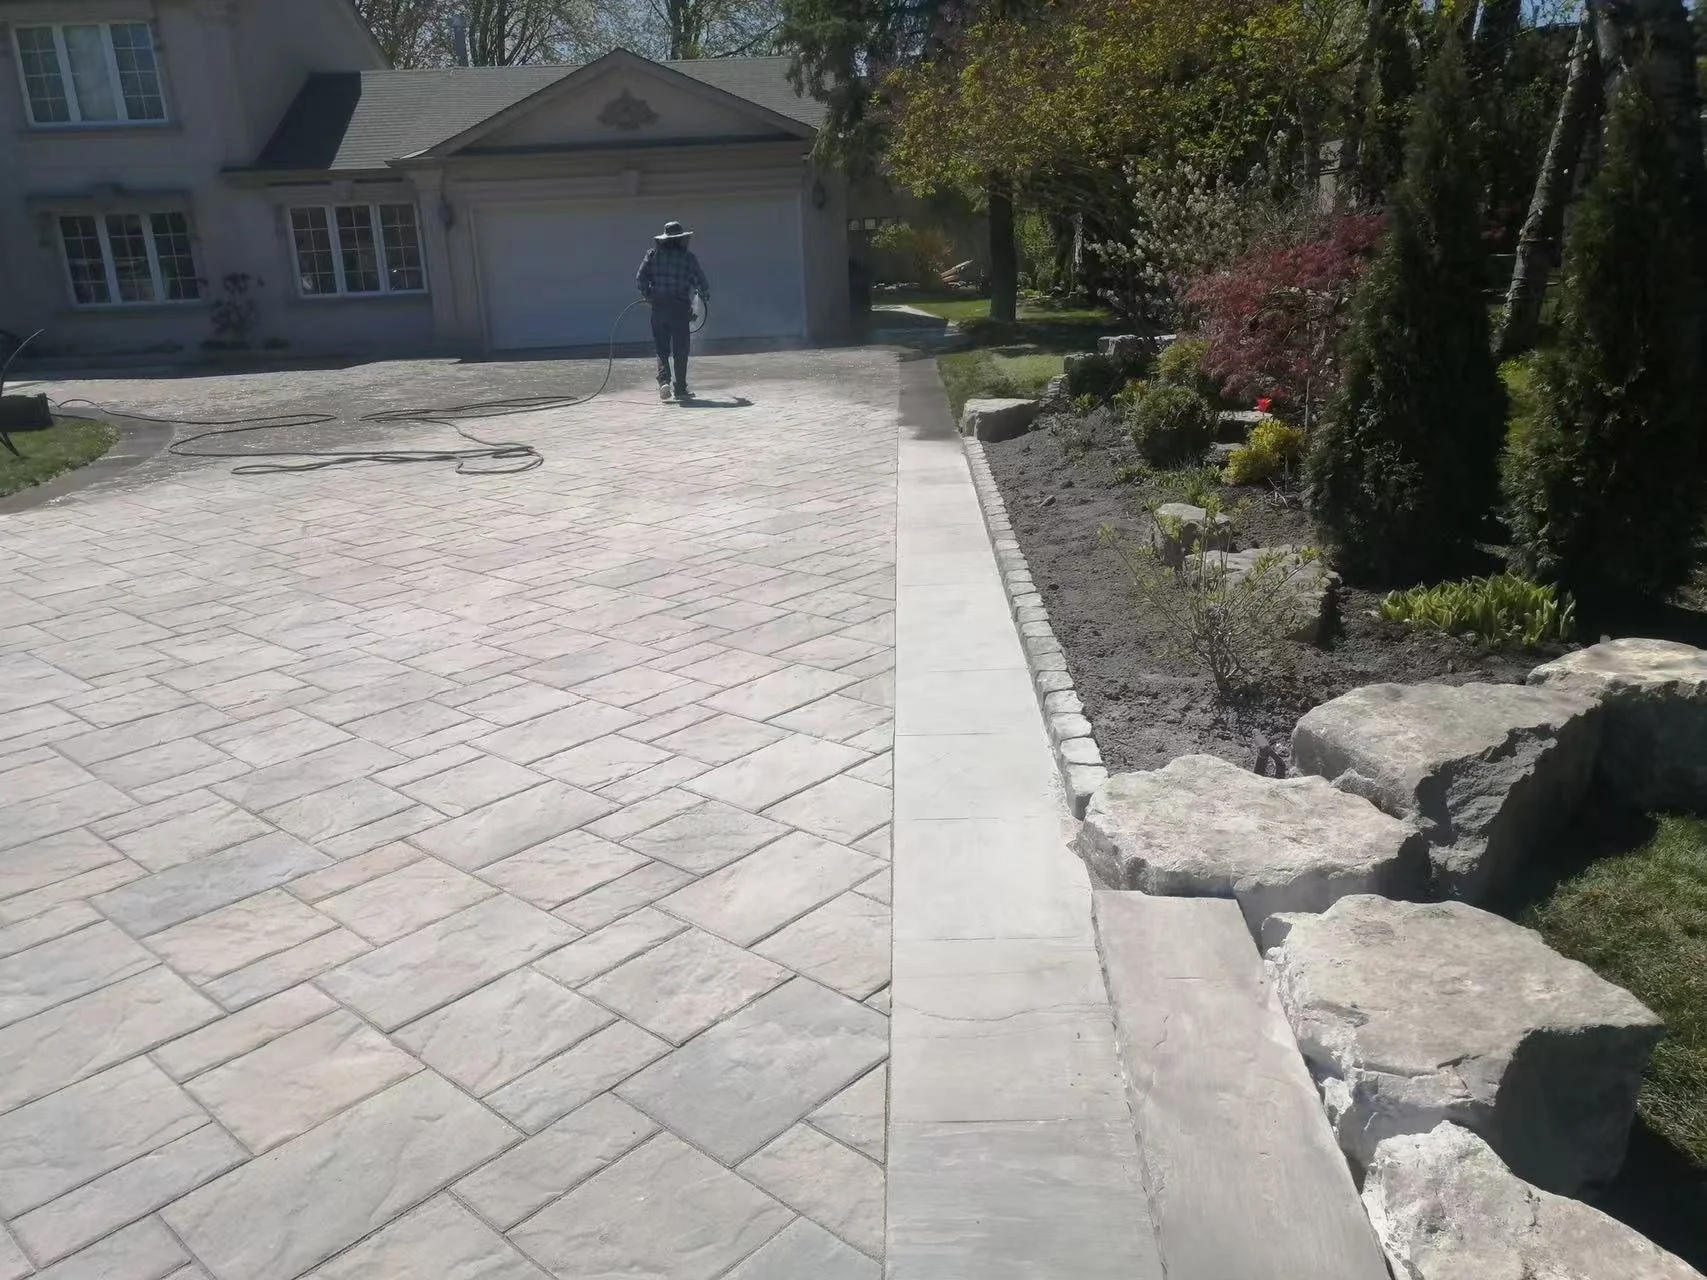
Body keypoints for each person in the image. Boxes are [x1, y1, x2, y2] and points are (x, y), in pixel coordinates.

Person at [636, 221, 710, 402]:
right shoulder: (688, 258)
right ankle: (681, 390)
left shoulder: (653, 255)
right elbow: (702, 283)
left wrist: (649, 295)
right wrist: (703, 295)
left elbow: (640, 279)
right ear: (681, 240)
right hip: (680, 309)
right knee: (680, 350)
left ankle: (664, 382)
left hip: (659, 308)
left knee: (662, 349)